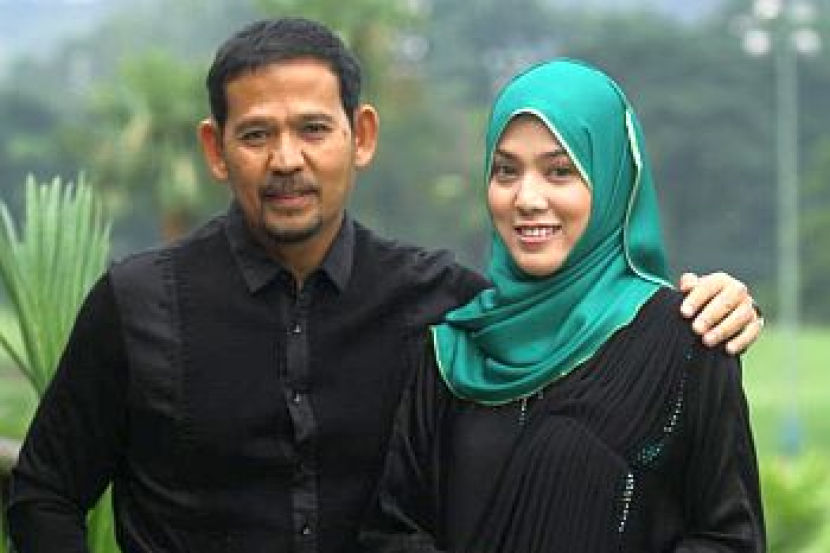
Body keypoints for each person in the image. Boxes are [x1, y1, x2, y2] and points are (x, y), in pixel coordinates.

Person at [6, 19, 762, 553]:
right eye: (257, 133)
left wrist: (719, 304)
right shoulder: (137, 304)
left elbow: (567, 330)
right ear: (216, 148)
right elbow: (44, 494)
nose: (287, 160)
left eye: (313, 129)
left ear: (360, 136)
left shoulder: (450, 310)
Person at [359, 59, 765, 553]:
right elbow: (392, 531)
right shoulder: (452, 354)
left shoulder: (687, 339)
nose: (527, 198)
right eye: (506, 171)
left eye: (559, 171)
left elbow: (729, 537)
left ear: (612, 180)